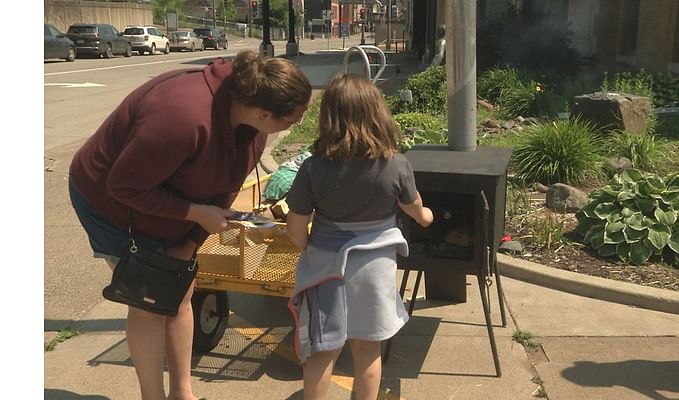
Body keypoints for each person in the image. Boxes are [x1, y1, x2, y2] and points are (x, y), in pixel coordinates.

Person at [68, 50, 312, 400]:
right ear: (264, 112)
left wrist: (191, 241)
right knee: (148, 302)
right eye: (294, 120)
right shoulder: (181, 116)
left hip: (166, 199)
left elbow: (225, 190)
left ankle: (182, 393)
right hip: (112, 203)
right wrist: (194, 213)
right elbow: (123, 186)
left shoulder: (253, 130)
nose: (293, 126)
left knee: (182, 290)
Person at [285, 73, 434, 400]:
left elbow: (295, 228)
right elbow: (417, 210)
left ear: (329, 117)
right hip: (375, 269)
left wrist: (309, 248)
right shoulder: (395, 164)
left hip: (327, 267)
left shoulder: (312, 168)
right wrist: (427, 217)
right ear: (377, 113)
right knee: (367, 350)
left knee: (323, 351)